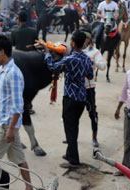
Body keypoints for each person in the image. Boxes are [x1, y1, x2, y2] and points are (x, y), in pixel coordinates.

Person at [0, 35, 36, 190]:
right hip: (6, 121)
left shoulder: (13, 73)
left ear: (2, 52)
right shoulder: (3, 68)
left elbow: (18, 105)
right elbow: (2, 95)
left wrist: (11, 129)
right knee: (19, 157)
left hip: (7, 124)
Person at [40, 30, 93, 168]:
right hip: (82, 97)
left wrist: (47, 53)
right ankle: (70, 153)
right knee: (74, 125)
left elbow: (52, 66)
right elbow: (90, 75)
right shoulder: (87, 59)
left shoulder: (69, 59)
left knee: (70, 128)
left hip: (70, 97)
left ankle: (74, 159)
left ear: (73, 43)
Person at [83, 32, 105, 147]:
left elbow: (102, 66)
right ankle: (70, 136)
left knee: (92, 112)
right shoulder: (75, 50)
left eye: (84, 38)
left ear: (88, 40)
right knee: (72, 114)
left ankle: (94, 137)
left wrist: (92, 62)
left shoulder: (95, 52)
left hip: (89, 88)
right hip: (76, 87)